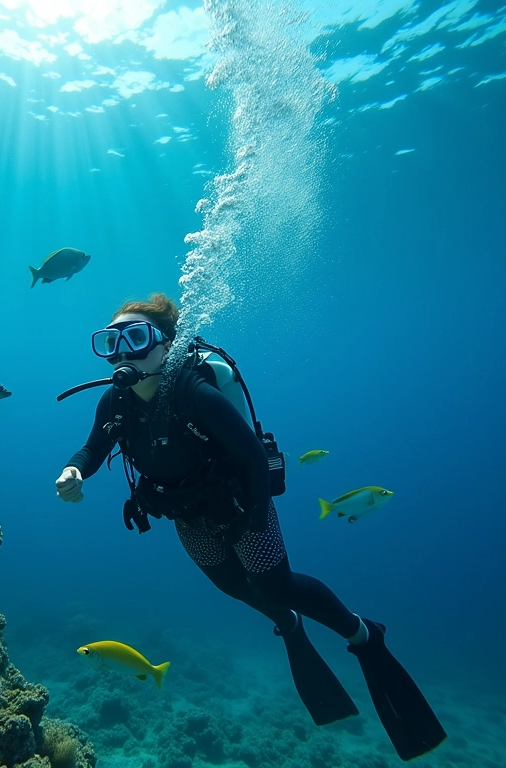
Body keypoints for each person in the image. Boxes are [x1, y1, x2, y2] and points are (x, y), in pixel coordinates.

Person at [55, 293, 445, 762]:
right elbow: (93, 448)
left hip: (240, 506)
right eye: (110, 342)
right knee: (234, 588)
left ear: (164, 344)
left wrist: (255, 517)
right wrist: (75, 470)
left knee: (274, 584)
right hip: (186, 515)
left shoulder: (194, 392)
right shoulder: (114, 401)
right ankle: (287, 623)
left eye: (136, 338)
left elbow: (253, 457)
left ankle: (363, 633)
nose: (122, 352)